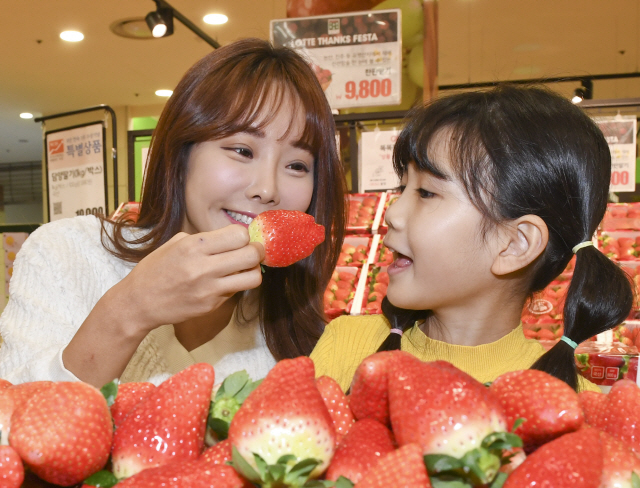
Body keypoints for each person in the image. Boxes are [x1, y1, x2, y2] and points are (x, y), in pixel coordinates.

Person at [0, 39, 346, 387]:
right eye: (242, 150)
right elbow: (12, 421)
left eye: (298, 165)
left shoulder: (294, 329)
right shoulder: (66, 254)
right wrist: (130, 309)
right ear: (181, 155)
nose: (267, 189)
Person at [311, 85, 632, 392]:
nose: (392, 214)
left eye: (426, 192)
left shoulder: (567, 407)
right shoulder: (347, 347)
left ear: (515, 244)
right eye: (401, 188)